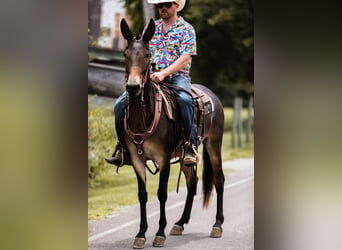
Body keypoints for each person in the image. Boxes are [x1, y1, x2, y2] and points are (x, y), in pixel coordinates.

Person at [106, 0, 198, 166]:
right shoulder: (150, 29)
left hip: (177, 77)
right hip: (150, 78)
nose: (163, 8)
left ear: (176, 6)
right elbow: (140, 53)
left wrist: (164, 73)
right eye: (160, 5)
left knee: (185, 100)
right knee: (120, 104)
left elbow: (185, 58)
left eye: (167, 4)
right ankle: (123, 148)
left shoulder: (186, 29)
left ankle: (190, 145)